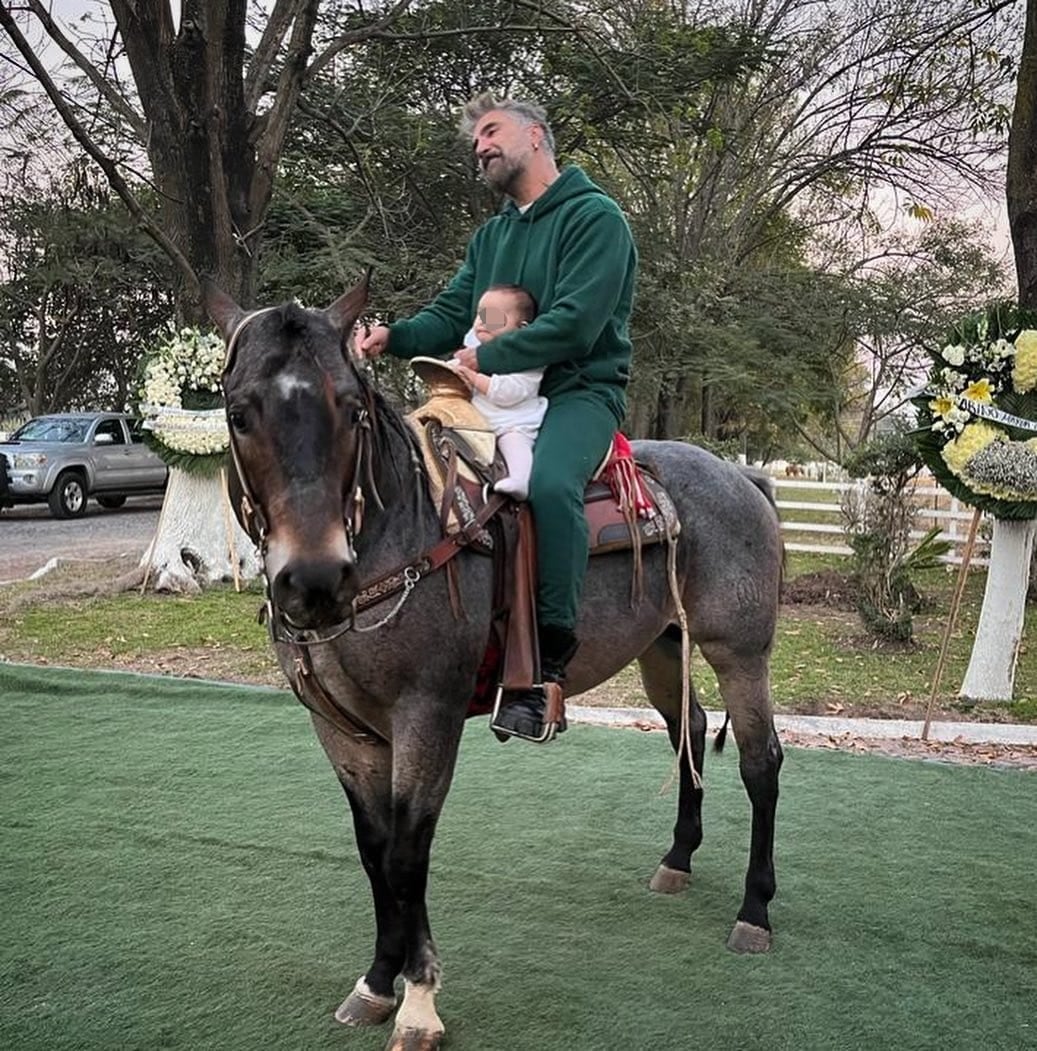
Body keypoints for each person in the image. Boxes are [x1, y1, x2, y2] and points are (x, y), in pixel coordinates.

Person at [357, 92, 638, 744]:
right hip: (488, 395)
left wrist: (484, 352)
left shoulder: (596, 220)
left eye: (490, 131)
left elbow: (576, 324)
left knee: (546, 487)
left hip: (576, 394)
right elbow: (450, 313)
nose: (479, 145)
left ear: (535, 134)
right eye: (474, 140)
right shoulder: (492, 237)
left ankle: (546, 667)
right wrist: (392, 335)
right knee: (416, 470)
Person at [452, 283, 545, 501]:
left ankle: (520, 479)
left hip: (511, 420)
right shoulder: (472, 349)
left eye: (493, 317)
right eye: (480, 314)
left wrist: (474, 377)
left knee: (514, 442)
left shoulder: (528, 361)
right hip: (476, 420)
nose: (483, 321)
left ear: (520, 328)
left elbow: (509, 392)